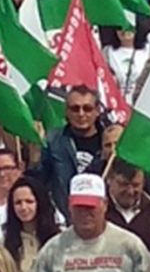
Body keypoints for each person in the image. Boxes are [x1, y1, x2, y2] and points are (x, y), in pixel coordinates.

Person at [34, 86, 105, 214]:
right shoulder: (52, 141)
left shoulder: (109, 141)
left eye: (87, 108)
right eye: (75, 108)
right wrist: (34, 157)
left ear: (98, 110)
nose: (81, 114)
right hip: (64, 215)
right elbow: (39, 181)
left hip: (101, 217)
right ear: (66, 111)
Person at [106, 158, 150, 272]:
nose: (130, 191)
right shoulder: (98, 213)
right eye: (123, 184)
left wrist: (144, 260)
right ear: (109, 179)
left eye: (136, 185)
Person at [3, 174, 60, 272]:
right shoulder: (5, 241)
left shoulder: (58, 239)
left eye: (29, 201)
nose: (23, 207)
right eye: (18, 203)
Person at [106, 27, 147, 102]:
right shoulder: (107, 52)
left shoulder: (147, 51)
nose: (125, 30)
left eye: (129, 26)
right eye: (120, 27)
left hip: (141, 101)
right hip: (115, 101)